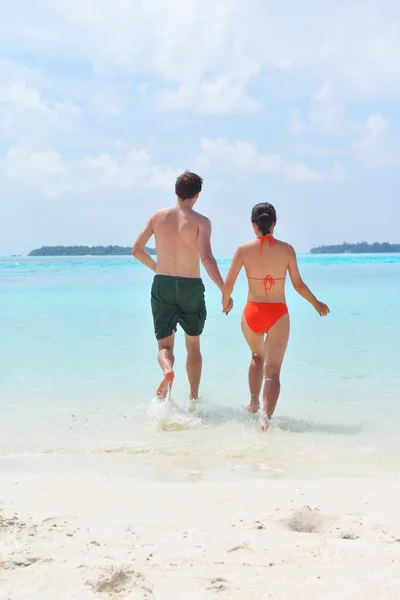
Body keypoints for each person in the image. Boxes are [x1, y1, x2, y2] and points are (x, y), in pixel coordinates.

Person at [222, 202, 329, 429]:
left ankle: (252, 405)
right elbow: (298, 285)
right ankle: (266, 420)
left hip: (252, 313)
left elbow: (228, 283)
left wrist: (226, 303)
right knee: (273, 371)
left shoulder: (242, 250)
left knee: (256, 356)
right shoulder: (287, 249)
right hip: (278, 313)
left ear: (253, 225)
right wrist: (316, 304)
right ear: (274, 224)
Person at [133, 171, 233, 401]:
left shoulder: (157, 217)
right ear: (197, 195)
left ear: (176, 191)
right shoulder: (202, 222)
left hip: (163, 283)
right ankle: (194, 398)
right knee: (193, 346)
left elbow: (137, 250)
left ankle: (168, 370)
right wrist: (223, 289)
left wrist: (158, 268)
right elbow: (207, 258)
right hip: (191, 285)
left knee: (165, 347)